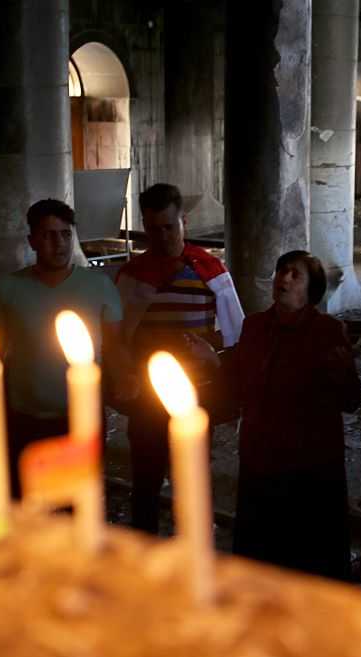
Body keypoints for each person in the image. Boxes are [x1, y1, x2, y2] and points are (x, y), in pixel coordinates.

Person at [190, 251, 361, 580]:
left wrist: (341, 373)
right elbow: (238, 385)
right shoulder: (254, 327)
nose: (283, 279)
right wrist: (213, 362)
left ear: (311, 290)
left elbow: (352, 399)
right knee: (261, 555)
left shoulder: (328, 331)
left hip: (310, 463)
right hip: (262, 457)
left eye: (295, 275)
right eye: (281, 272)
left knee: (309, 557)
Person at [116, 183, 244, 534]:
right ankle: (144, 553)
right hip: (146, 397)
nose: (161, 236)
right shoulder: (132, 275)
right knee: (145, 479)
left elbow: (234, 333)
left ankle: (193, 552)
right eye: (153, 228)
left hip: (195, 394)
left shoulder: (209, 269)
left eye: (169, 227)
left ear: (184, 221)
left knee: (193, 480)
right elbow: (116, 337)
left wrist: (209, 350)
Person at [0, 199, 129, 498]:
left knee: (75, 504)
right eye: (49, 235)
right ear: (33, 241)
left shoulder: (99, 286)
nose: (59, 243)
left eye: (65, 234)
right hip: (24, 418)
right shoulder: (9, 289)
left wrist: (126, 382)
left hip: (80, 418)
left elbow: (114, 346)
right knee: (26, 502)